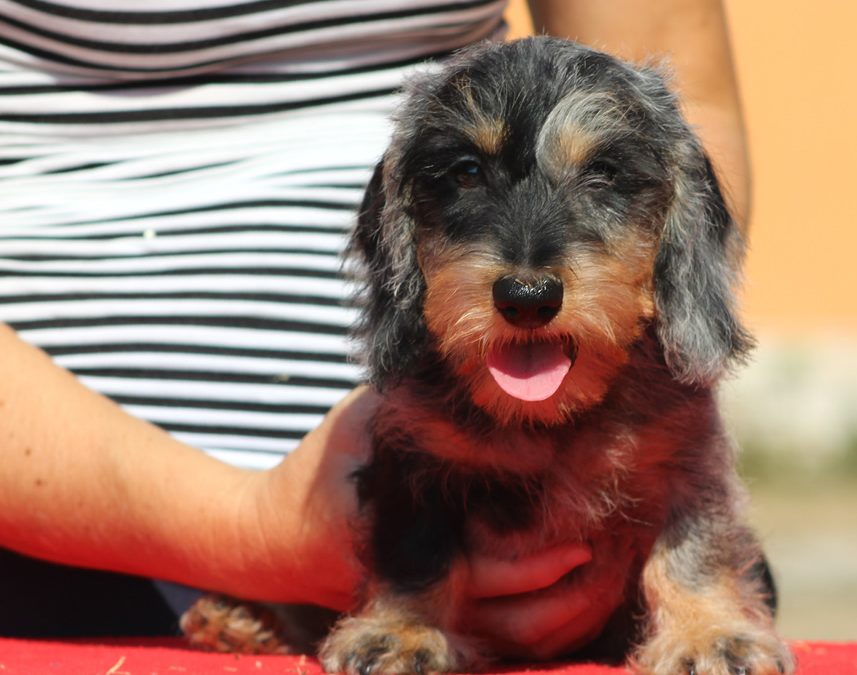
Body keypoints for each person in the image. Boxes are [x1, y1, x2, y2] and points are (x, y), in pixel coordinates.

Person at [0, 0, 749, 657]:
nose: (526, 274)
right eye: (464, 175)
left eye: (602, 178)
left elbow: (695, 107)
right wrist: (255, 534)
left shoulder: (657, 412)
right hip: (68, 550)